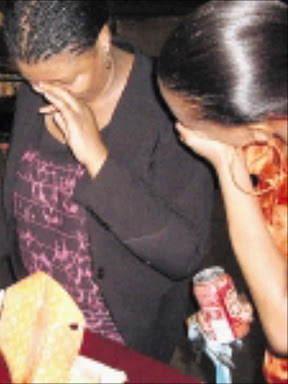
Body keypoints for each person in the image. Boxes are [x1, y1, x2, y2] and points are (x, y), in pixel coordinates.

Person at [0, 0, 214, 362]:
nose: (48, 94)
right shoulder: (39, 89)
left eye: (66, 80)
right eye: (33, 81)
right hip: (33, 325)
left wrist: (98, 158)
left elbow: (183, 253)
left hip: (117, 343)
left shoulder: (168, 106)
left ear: (104, 40)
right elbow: (10, 191)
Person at [157, 1, 287, 381]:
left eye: (188, 125)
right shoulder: (270, 148)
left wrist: (225, 162)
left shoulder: (247, 148)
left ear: (252, 124)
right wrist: (256, 298)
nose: (184, 135)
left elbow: (283, 329)